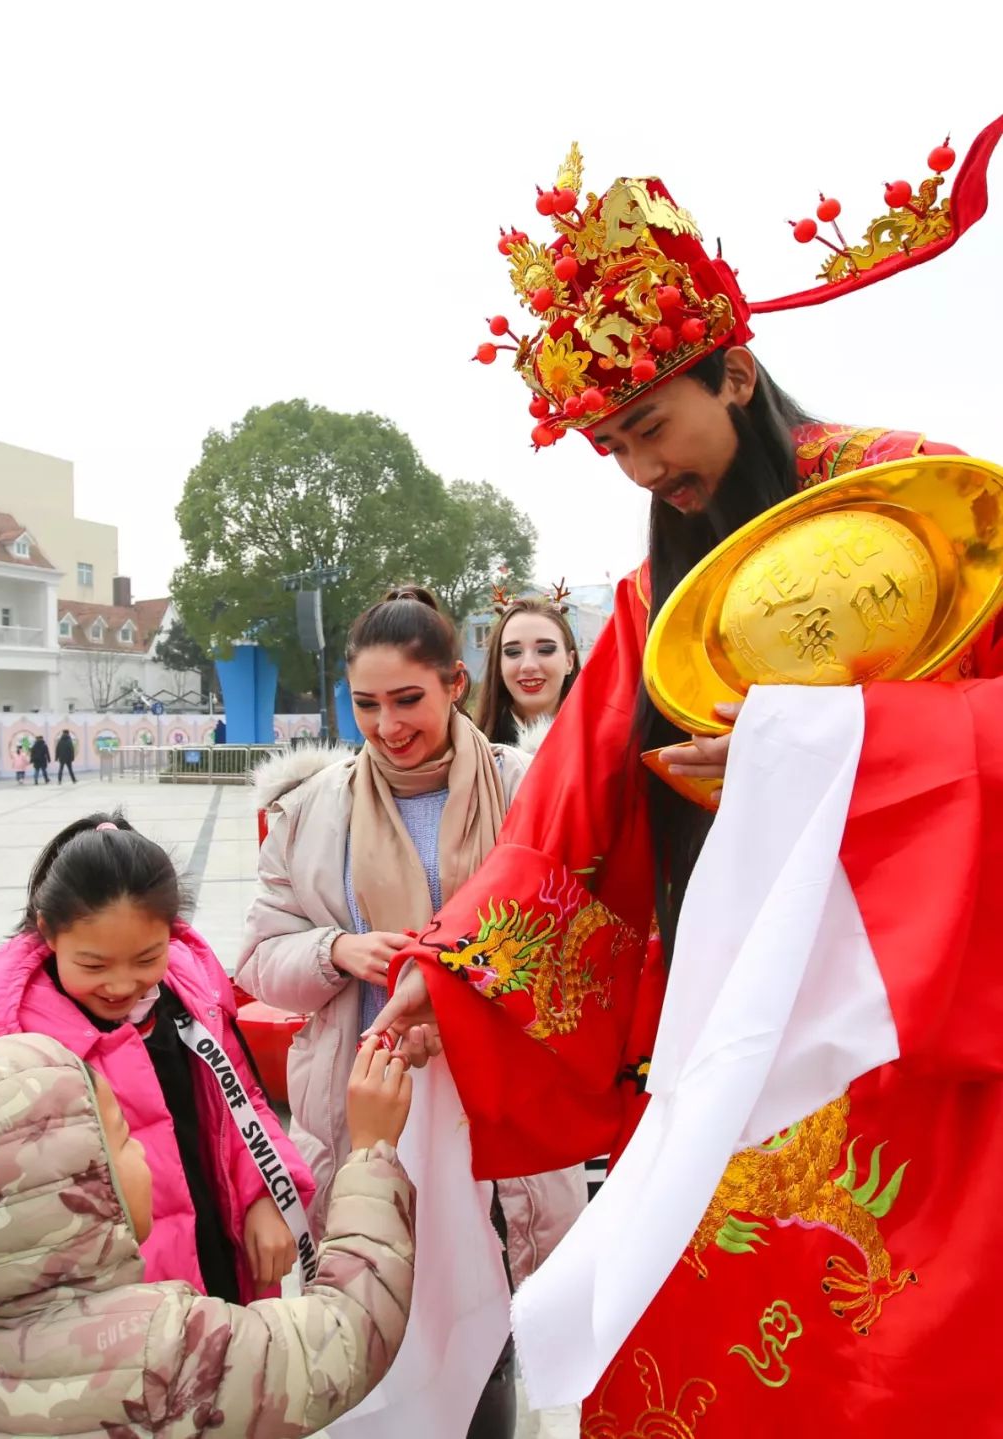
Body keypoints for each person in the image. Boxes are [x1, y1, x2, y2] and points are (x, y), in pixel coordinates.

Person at [374, 120, 1003, 1435]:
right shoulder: (661, 594)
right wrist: (456, 965)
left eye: (653, 425)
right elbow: (568, 809)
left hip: (911, 1006)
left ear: (735, 372)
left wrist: (823, 754)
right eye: (615, 446)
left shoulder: (921, 510)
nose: (647, 470)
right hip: (736, 1013)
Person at [237, 585, 586, 1439]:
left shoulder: (530, 789)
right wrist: (335, 950)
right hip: (370, 1109)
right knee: (378, 1314)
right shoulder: (310, 811)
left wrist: (470, 970)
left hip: (497, 1108)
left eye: (407, 700)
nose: (387, 725)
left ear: (456, 683)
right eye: (366, 704)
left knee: (491, 1322)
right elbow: (257, 958)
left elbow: (579, 936)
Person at [0, 1031, 416, 1436]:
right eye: (122, 1139)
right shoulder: (164, 1353)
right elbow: (346, 1336)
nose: (141, 1151)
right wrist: (371, 1152)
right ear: (77, 1190)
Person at [0, 811, 316, 1304]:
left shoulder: (191, 999)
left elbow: (242, 1103)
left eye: (147, 958)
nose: (121, 984)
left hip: (217, 1258)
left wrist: (264, 1195)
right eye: (93, 965)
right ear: (48, 932)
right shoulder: (13, 1042)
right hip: (107, 1304)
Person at [473, 591, 579, 745]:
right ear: (499, 665)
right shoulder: (473, 748)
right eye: (513, 652)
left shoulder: (605, 742)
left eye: (545, 650)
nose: (528, 666)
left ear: (569, 661)